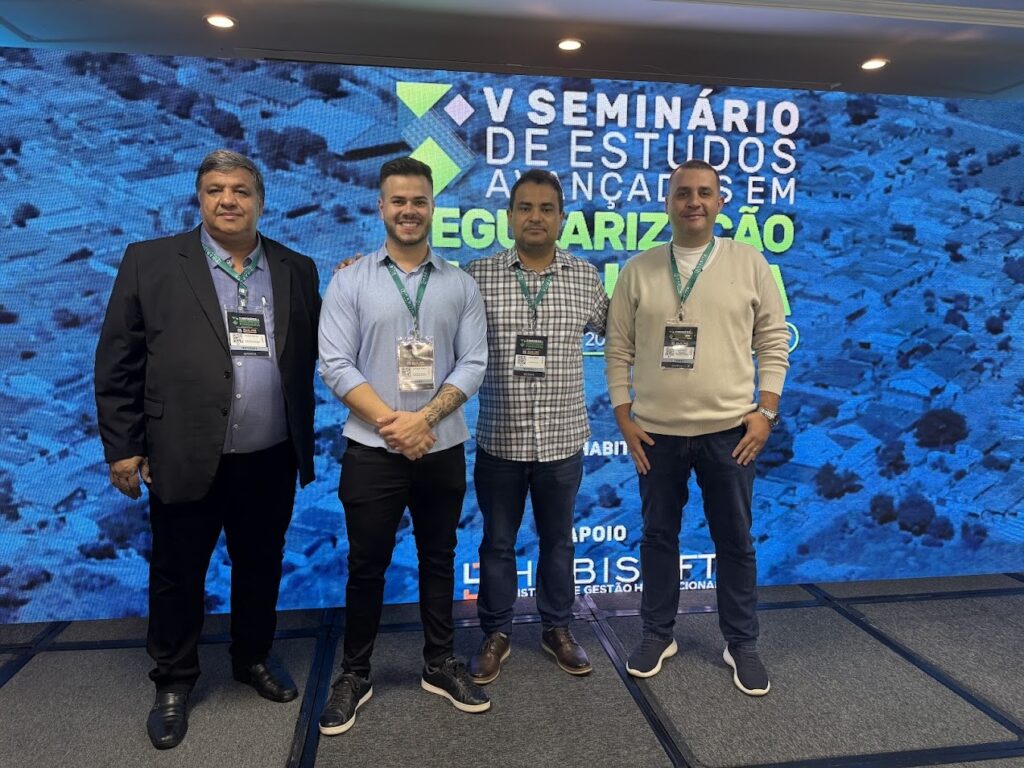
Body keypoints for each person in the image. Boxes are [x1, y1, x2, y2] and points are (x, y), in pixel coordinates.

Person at [94, 149, 321, 748]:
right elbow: (117, 362)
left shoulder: (297, 268)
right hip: (183, 450)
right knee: (178, 573)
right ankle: (173, 681)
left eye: (241, 190)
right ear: (199, 198)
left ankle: (253, 657)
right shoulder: (149, 262)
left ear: (260, 201)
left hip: (271, 454)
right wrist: (123, 447)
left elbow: (318, 346)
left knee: (261, 565)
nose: (228, 200)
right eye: (216, 189)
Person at [317, 157, 489, 735]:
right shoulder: (350, 281)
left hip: (442, 447)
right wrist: (396, 424)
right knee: (366, 565)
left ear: (432, 206)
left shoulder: (460, 283)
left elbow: (474, 362)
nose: (409, 210)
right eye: (398, 201)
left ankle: (439, 664)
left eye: (419, 200)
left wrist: (426, 419)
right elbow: (335, 363)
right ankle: (355, 674)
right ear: (381, 207)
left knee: (439, 558)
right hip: (372, 449)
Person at [604, 159, 789, 695]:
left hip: (730, 433)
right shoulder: (639, 269)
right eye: (683, 193)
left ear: (720, 202)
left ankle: (741, 642)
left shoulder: (749, 262)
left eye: (704, 193)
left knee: (735, 540)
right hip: (655, 434)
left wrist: (766, 412)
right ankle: (657, 634)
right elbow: (617, 347)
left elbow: (773, 339)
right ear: (667, 203)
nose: (694, 202)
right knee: (658, 536)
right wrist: (623, 415)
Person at [466, 170, 608, 684]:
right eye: (525, 207)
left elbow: (622, 331)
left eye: (546, 208)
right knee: (497, 544)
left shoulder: (585, 277)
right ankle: (495, 633)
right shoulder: (477, 276)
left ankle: (557, 629)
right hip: (500, 439)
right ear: (508, 217)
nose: (535, 217)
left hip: (562, 440)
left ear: (561, 218)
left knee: (559, 542)